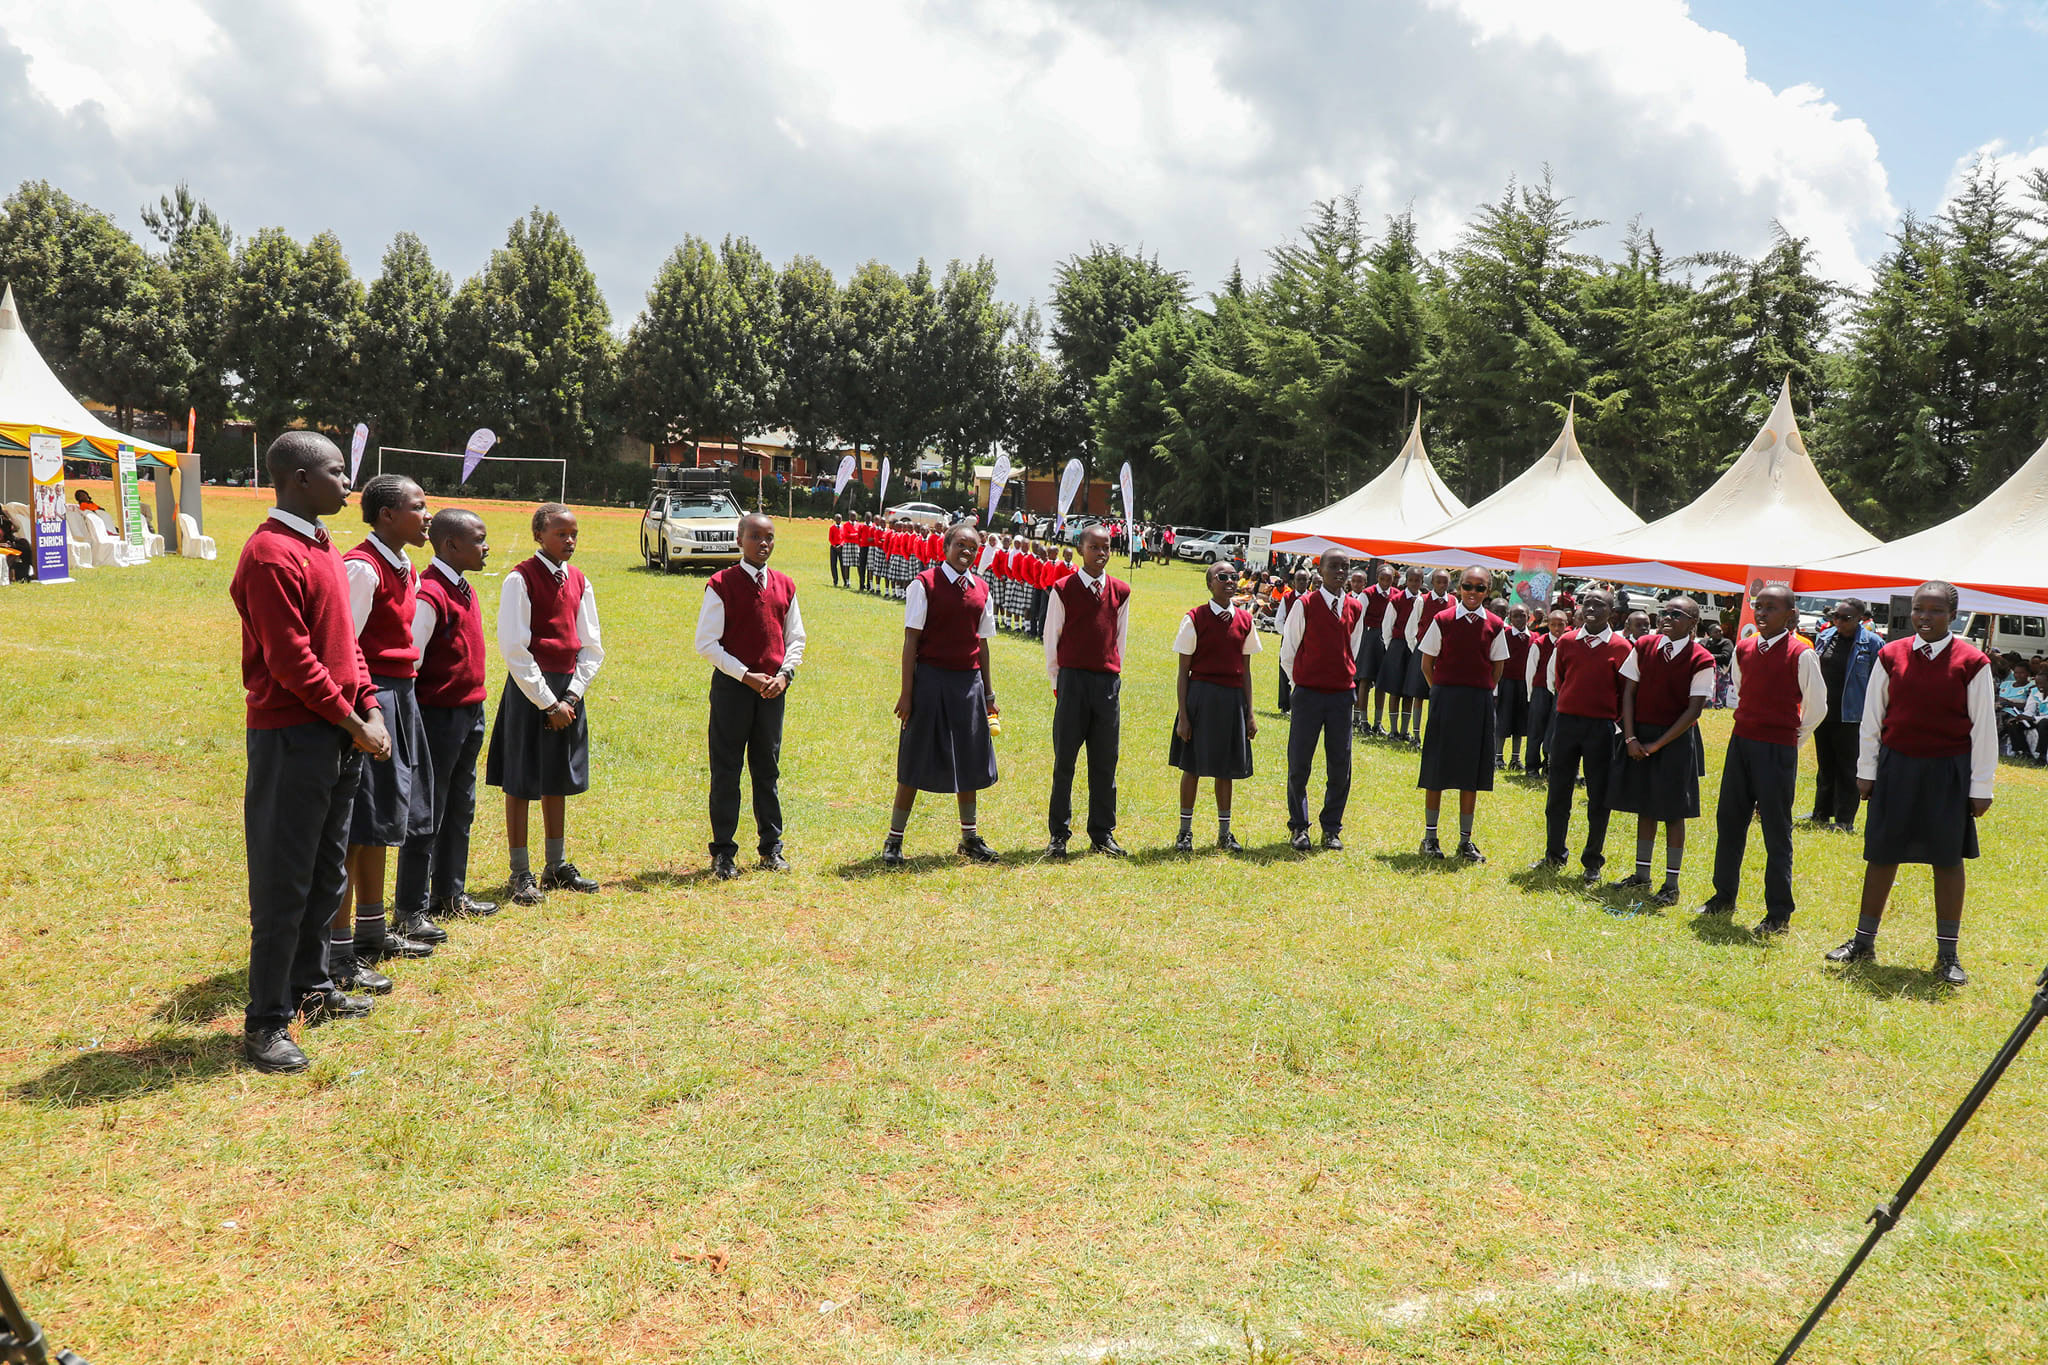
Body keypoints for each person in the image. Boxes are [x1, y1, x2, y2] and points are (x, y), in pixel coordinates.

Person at [230, 431, 391, 1075]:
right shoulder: (271, 555)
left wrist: (369, 706)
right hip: (292, 736)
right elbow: (293, 663)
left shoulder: (320, 544)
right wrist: (355, 720)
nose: (345, 483)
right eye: (334, 472)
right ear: (299, 478)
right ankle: (266, 1021)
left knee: (326, 871)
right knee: (283, 882)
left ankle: (312, 986)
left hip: (337, 732)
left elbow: (344, 642)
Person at [1825, 582, 1994, 985]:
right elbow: (1872, 718)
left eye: (1936, 611)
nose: (1925, 617)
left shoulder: (1972, 662)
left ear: (1952, 615)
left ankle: (1948, 954)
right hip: (1897, 767)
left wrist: (1980, 786)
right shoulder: (1891, 655)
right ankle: (1863, 941)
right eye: (1919, 609)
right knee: (1882, 853)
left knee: (1947, 860)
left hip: (1948, 773)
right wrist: (1866, 770)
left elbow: (1984, 730)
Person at [334, 474, 437, 993]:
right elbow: (345, 648)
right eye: (419, 507)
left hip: (402, 694)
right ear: (387, 516)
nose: (428, 515)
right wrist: (363, 716)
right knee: (357, 827)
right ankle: (339, 947)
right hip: (372, 699)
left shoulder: (405, 567)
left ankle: (373, 931)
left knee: (383, 819)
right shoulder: (361, 568)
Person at [486, 503, 604, 905]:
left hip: (567, 691)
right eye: (560, 534)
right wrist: (547, 702)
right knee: (521, 781)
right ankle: (520, 871)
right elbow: (514, 649)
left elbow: (591, 646)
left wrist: (571, 695)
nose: (569, 541)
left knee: (558, 777)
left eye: (573, 534)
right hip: (530, 691)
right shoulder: (520, 579)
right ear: (539, 535)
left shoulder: (580, 581)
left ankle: (556, 864)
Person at [392, 508, 499, 947]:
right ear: (451, 545)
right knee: (426, 813)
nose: (486, 546)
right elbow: (412, 658)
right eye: (478, 539)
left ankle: (449, 892)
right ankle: (410, 909)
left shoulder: (462, 586)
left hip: (469, 713)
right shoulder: (430, 593)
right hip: (437, 718)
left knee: (461, 805)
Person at [1700, 584, 1826, 935]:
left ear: (1790, 616)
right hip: (1742, 743)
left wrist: (1791, 740)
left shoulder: (1801, 654)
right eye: (1759, 607)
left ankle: (1778, 913)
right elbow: (1741, 692)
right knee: (1729, 821)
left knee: (1775, 829)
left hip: (1777, 749)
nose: (1763, 613)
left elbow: (1817, 708)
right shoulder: (1744, 648)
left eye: (1772, 608)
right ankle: (1723, 895)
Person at [884, 521, 1001, 865]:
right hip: (931, 681)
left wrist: (989, 694)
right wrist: (908, 694)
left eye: (973, 547)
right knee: (914, 759)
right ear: (945, 547)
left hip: (969, 684)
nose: (967, 552)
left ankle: (970, 838)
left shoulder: (982, 589)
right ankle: (893, 840)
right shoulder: (925, 584)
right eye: (961, 545)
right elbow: (911, 642)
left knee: (970, 759)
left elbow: (983, 646)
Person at [696, 512, 805, 879]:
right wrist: (746, 676)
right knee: (726, 770)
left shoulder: (785, 585)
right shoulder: (722, 584)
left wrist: (784, 675)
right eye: (756, 537)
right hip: (733, 690)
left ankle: (771, 847)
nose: (764, 543)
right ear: (739, 540)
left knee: (767, 769)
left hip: (772, 691)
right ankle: (723, 852)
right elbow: (707, 643)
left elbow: (796, 638)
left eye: (770, 537)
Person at [1607, 596, 1716, 905]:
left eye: (1676, 614)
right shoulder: (1643, 647)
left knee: (1672, 811)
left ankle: (1671, 884)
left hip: (1676, 740)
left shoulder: (1702, 658)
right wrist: (1630, 738)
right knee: (1645, 806)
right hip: (1639, 735)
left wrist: (1656, 745)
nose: (1666, 617)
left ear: (1693, 623)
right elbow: (1628, 691)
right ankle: (1642, 875)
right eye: (1664, 612)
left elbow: (1694, 711)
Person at [1042, 524, 1131, 858]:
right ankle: (1059, 834)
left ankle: (1102, 832)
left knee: (1105, 761)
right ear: (1081, 550)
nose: (1101, 553)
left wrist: (1113, 670)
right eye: (1094, 547)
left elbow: (1118, 638)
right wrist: (1058, 683)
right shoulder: (1063, 589)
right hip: (1073, 682)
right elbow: (1052, 638)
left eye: (1106, 547)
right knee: (1065, 759)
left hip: (1106, 684)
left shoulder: (1120, 591)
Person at [1534, 590, 1630, 882]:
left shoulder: (1621, 647)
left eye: (1598, 604)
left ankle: (1592, 860)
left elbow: (1625, 690)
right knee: (1558, 791)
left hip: (1600, 727)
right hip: (1566, 723)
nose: (1590, 608)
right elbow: (1559, 679)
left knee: (1598, 795)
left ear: (1611, 611)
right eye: (1586, 603)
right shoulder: (1566, 641)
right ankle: (1554, 853)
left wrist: (1612, 720)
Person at [1417, 566, 1508, 861]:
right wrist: (1442, 691)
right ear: (1459, 588)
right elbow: (1426, 664)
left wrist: (1479, 692)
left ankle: (1465, 841)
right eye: (1468, 586)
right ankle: (1430, 837)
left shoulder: (1494, 625)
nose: (1473, 593)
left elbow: (1497, 667)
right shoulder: (1442, 620)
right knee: (1437, 769)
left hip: (1478, 703)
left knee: (1471, 774)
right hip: (1445, 700)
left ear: (1488, 591)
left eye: (1480, 588)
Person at [1278, 549, 1365, 852]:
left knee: (1340, 765)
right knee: (1299, 763)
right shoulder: (1305, 605)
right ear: (1321, 571)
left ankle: (1331, 828)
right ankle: (1299, 827)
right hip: (1309, 695)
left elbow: (1352, 648)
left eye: (1345, 567)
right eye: (1334, 567)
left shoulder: (1355, 606)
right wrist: (1300, 684)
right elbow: (1288, 652)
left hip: (1341, 696)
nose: (1340, 572)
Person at [1172, 560, 1261, 853]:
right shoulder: (1195, 618)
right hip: (1201, 698)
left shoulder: (1246, 621)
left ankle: (1224, 833)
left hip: (1232, 700)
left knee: (1227, 769)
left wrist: (1249, 713)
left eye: (1234, 576)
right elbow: (1183, 671)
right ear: (1209, 584)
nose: (1229, 581)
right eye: (1222, 577)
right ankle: (1185, 832)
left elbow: (1246, 670)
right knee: (1193, 766)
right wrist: (1183, 716)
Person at [1808, 599, 1883, 832]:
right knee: (1825, 766)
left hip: (1852, 716)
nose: (1838, 621)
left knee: (1848, 768)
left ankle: (1844, 820)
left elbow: (1878, 680)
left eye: (1845, 618)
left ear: (1860, 619)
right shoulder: (1824, 636)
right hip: (1824, 713)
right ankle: (1820, 814)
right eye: (1835, 616)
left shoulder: (1872, 643)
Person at [1400, 568, 1453, 747]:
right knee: (1418, 695)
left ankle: (1434, 734)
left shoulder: (1453, 601)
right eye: (1439, 581)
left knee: (1437, 694)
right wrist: (1418, 650)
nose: (1442, 585)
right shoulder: (1422, 600)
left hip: (1443, 655)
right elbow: (1410, 629)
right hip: (1423, 652)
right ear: (1432, 583)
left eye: (1445, 582)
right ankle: (1416, 735)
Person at [1379, 567, 1426, 741]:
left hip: (1413, 648)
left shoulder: (1423, 600)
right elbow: (1387, 626)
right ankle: (1393, 729)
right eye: (1411, 580)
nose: (1414, 583)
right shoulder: (1396, 599)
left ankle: (1405, 730)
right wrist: (1391, 647)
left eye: (1418, 580)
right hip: (1397, 646)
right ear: (1407, 581)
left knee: (1409, 690)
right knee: (1395, 689)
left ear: (1422, 582)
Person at [1356, 563, 1397, 735]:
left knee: (1381, 682)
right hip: (1370, 636)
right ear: (1377, 578)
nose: (1385, 582)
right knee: (1365, 679)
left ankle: (1377, 723)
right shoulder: (1368, 594)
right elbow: (1359, 617)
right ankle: (1363, 720)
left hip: (1387, 638)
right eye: (1382, 579)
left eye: (1389, 579)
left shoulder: (1396, 595)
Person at [1524, 608, 1566, 778]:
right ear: (1547, 625)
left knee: (1554, 729)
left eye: (1560, 625)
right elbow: (1530, 671)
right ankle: (1531, 766)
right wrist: (1530, 694)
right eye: (1553, 624)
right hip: (1540, 691)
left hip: (1559, 692)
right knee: (1536, 729)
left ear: (1566, 625)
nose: (1557, 628)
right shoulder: (1539, 643)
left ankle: (1549, 764)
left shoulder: (1568, 642)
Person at [1495, 604, 1532, 770]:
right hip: (1506, 683)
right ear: (1509, 618)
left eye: (1522, 615)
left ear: (1528, 617)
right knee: (1503, 719)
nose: (1519, 619)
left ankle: (1515, 758)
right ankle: (1498, 757)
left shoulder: (1534, 638)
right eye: (1515, 616)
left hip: (1524, 684)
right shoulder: (1504, 635)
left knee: (1520, 721)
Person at [1701, 621, 1734, 708]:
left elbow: (1725, 656)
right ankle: (1706, 702)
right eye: (1716, 632)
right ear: (1710, 634)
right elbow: (1699, 652)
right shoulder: (1705, 642)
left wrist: (1710, 656)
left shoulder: (1726, 642)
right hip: (1708, 667)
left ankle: (1719, 703)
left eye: (1720, 631)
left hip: (1721, 669)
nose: (1719, 633)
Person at [0, 505, 30, 582]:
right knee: (10, 553)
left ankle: (25, 574)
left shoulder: (4, 522)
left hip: (8, 543)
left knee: (24, 544)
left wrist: (8, 516)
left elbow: (17, 528)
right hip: (2, 546)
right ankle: (12, 577)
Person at [828, 513, 845, 588]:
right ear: (835, 519)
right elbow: (830, 538)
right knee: (833, 564)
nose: (839, 520)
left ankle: (845, 580)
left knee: (843, 565)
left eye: (840, 518)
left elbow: (844, 538)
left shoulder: (843, 527)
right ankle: (835, 580)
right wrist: (835, 546)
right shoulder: (832, 528)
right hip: (834, 548)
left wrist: (841, 545)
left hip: (841, 547)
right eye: (837, 518)